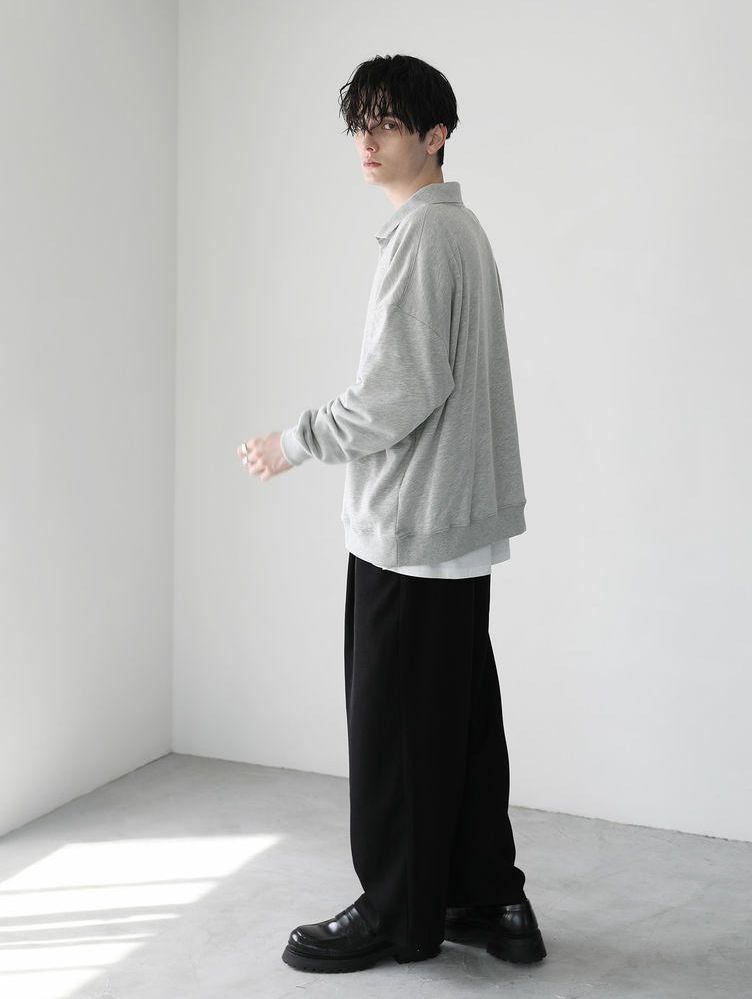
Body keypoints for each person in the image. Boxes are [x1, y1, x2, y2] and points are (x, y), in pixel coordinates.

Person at [236, 53, 545, 974]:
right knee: (458, 725)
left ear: (436, 134)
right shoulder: (461, 231)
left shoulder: (423, 236)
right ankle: (490, 900)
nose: (366, 142)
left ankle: (397, 915)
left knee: (395, 734)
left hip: (412, 529)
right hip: (453, 528)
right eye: (359, 125)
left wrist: (293, 441)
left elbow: (395, 394)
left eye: (388, 124)